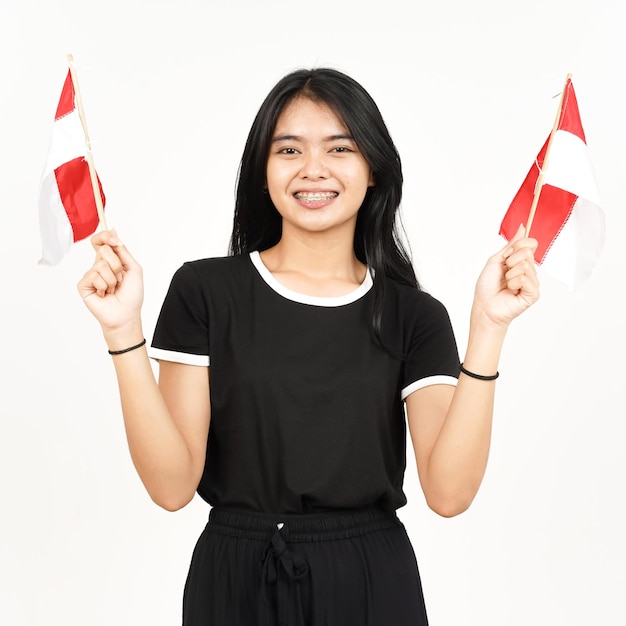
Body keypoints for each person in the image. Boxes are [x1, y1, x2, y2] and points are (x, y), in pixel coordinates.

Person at [78, 67, 539, 625]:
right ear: (263, 172)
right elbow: (172, 487)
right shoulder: (205, 293)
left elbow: (449, 494)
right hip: (236, 582)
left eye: (339, 148)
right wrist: (122, 331)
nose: (312, 169)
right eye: (289, 150)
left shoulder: (413, 317)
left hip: (369, 582)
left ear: (373, 170)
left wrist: (489, 328)